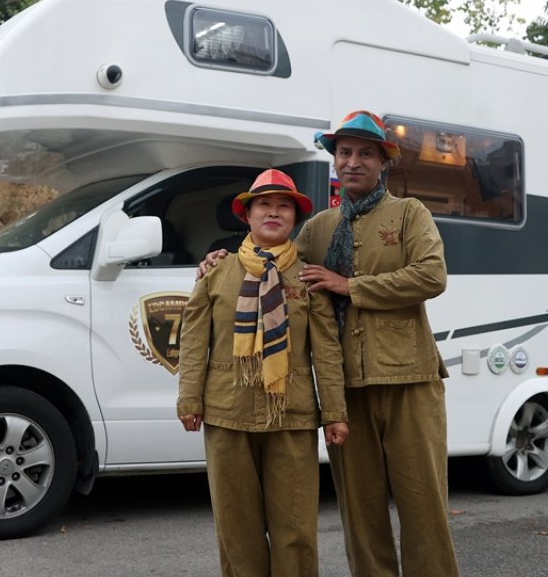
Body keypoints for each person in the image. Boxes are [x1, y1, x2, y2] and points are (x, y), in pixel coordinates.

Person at [199, 111, 459, 576]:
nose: (353, 161)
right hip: (347, 391)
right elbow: (273, 259)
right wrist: (218, 259)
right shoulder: (316, 228)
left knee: (424, 509)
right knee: (360, 516)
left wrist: (350, 286)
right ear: (334, 160)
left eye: (365, 153)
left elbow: (431, 275)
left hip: (409, 379)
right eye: (345, 153)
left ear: (383, 162)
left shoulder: (408, 213)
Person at [177, 168, 349, 577]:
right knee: (238, 529)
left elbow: (325, 350)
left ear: (295, 218)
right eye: (264, 205)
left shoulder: (308, 277)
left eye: (284, 206)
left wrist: (335, 412)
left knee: (296, 530)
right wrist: (189, 399)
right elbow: (193, 339)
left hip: (292, 414)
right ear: (247, 216)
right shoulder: (217, 272)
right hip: (226, 411)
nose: (274, 213)